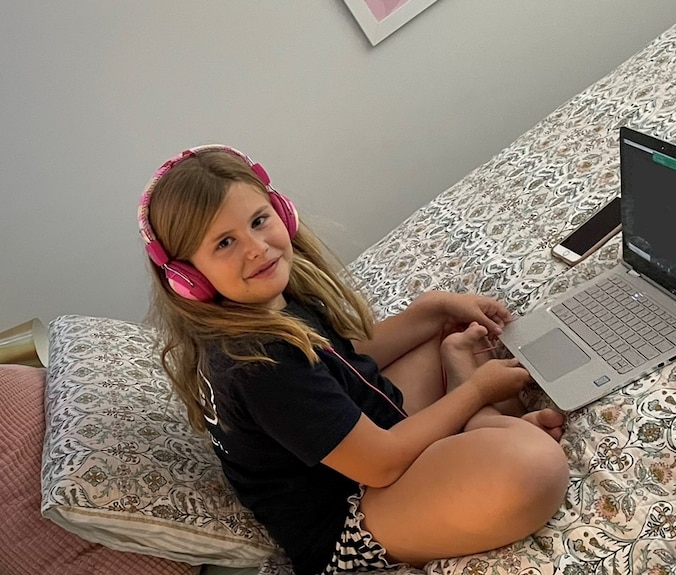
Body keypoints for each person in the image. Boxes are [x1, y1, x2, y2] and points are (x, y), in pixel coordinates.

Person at [138, 145, 569, 575]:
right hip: (350, 516)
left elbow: (344, 363)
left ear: (281, 212)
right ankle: (478, 418)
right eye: (225, 243)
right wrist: (477, 391)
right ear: (187, 277)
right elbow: (378, 464)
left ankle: (474, 415)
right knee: (534, 468)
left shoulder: (268, 302)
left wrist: (431, 309)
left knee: (445, 332)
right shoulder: (257, 364)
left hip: (366, 454)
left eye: (258, 220)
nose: (256, 248)